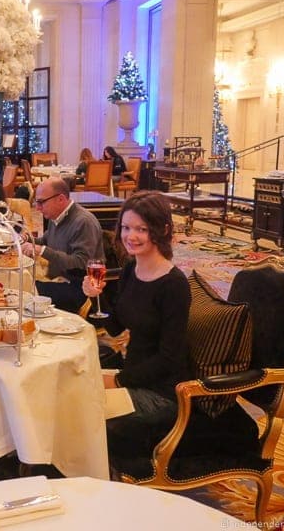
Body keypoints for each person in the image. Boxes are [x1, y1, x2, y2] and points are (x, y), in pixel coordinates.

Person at [81, 191, 191, 460]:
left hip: (163, 392)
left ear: (162, 229)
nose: (131, 236)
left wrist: (118, 380)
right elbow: (117, 327)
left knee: (82, 413)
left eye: (142, 229)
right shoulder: (132, 269)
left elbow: (169, 358)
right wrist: (98, 296)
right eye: (127, 228)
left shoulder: (173, 285)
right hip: (135, 373)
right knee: (71, 387)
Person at [21, 177, 104, 312]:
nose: (37, 207)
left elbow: (82, 262)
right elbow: (46, 240)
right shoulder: (57, 216)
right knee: (21, 284)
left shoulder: (83, 222)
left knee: (26, 293)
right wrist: (26, 239)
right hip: (59, 278)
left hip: (79, 288)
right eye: (37, 202)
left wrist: (41, 251)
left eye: (41, 202)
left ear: (60, 199)